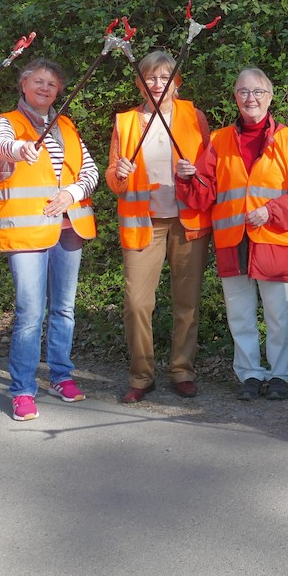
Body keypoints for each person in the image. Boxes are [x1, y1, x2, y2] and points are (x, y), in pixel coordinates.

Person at [177, 68, 288, 401]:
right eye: (243, 92)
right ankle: (250, 374)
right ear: (235, 97)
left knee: (278, 314)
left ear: (270, 97)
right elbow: (203, 193)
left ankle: (280, 376)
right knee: (240, 314)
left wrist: (271, 210)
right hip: (232, 240)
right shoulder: (219, 140)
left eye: (257, 92)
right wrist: (186, 177)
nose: (250, 98)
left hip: (275, 240)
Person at [0, 57, 99, 422]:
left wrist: (71, 193)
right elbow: (4, 147)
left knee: (63, 310)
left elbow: (90, 170)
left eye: (52, 84)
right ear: (23, 84)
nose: (45, 88)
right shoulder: (6, 122)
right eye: (38, 81)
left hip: (70, 229)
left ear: (58, 91)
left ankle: (61, 376)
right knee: (30, 314)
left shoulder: (66, 124)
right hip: (27, 232)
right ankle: (22, 389)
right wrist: (22, 150)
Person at [106, 51, 212, 403]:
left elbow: (210, 171)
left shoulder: (194, 117)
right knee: (136, 303)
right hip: (143, 223)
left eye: (165, 77)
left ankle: (182, 370)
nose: (157, 83)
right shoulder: (126, 122)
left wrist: (193, 174)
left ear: (176, 82)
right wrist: (120, 174)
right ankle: (141, 376)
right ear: (140, 82)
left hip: (187, 221)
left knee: (187, 302)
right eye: (150, 77)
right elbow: (113, 178)